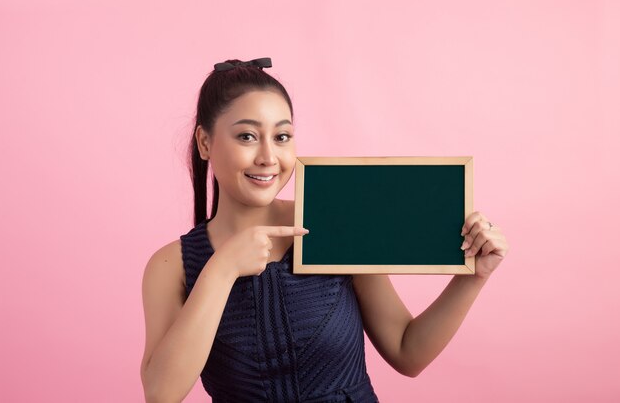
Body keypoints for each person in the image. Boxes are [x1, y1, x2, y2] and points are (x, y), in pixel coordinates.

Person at [140, 57, 510, 403]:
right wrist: (221, 270)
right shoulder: (172, 265)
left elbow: (406, 351)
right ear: (205, 143)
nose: (269, 157)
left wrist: (472, 278)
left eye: (282, 137)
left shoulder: (337, 222)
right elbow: (161, 392)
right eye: (247, 137)